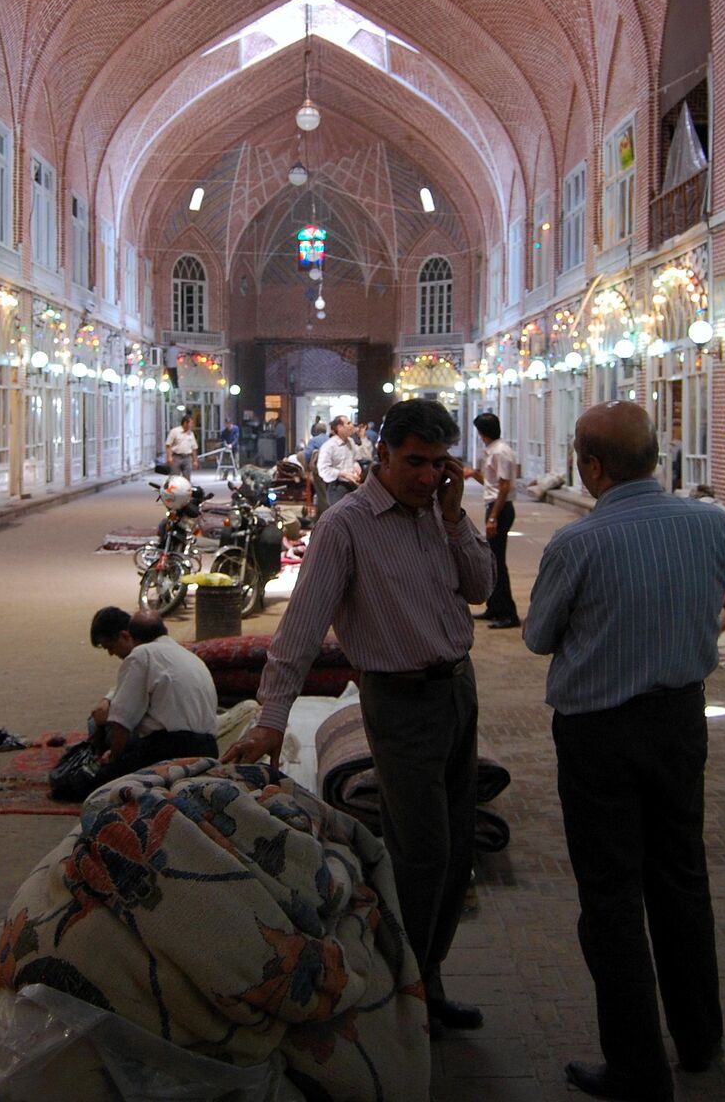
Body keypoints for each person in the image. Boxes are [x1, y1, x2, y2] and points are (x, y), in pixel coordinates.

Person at [224, 399, 494, 1032]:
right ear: (384, 455)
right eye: (415, 463)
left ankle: (426, 980)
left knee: (456, 855)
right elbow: (301, 626)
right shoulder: (346, 526)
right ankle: (398, 995)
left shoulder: (440, 514)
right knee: (421, 854)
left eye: (438, 464)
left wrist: (455, 518)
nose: (427, 477)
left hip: (457, 690)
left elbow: (480, 588)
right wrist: (271, 715)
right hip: (398, 701)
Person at [526, 402, 725, 1100]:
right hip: (681, 720)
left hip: (600, 735)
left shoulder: (577, 544)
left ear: (590, 467)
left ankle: (638, 1066)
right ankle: (700, 1040)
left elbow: (537, 637)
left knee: (612, 896)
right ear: (656, 456)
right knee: (681, 877)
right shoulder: (712, 525)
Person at [85, 605, 218, 784]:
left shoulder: (141, 655)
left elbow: (121, 722)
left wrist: (115, 758)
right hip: (209, 748)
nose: (111, 653)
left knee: (92, 778)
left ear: (127, 636)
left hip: (172, 748)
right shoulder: (185, 654)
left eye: (110, 646)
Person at [464, 412, 520, 629]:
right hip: (494, 505)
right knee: (492, 560)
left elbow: (504, 488)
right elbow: (491, 482)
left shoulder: (501, 452)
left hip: (500, 509)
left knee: (497, 561)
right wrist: (472, 474)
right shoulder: (492, 451)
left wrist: (493, 518)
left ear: (482, 433)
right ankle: (495, 606)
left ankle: (508, 613)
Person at [315, 414, 361, 511]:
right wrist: (342, 474)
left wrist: (356, 468)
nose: (351, 425)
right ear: (339, 427)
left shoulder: (351, 442)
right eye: (348, 423)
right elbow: (323, 470)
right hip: (337, 487)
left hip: (352, 485)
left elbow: (354, 460)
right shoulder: (329, 446)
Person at [165, 413, 198, 477]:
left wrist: (195, 461)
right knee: (174, 477)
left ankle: (185, 487)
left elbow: (194, 448)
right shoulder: (174, 431)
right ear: (185, 423)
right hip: (176, 457)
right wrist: (169, 457)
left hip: (187, 458)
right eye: (191, 423)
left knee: (187, 478)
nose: (192, 425)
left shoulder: (191, 433)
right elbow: (168, 445)